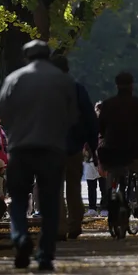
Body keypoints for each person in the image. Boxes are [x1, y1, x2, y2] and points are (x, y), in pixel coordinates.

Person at [0, 39, 78, 272]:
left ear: (26, 57)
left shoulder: (14, 79)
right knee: (50, 201)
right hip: (51, 148)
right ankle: (45, 254)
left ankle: (21, 237)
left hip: (21, 148)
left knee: (19, 199)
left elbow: (3, 113)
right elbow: (72, 116)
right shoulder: (63, 80)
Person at [51, 54, 98, 240]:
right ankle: (74, 223)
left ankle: (60, 227)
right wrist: (92, 145)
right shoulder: (77, 89)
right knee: (74, 187)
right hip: (73, 145)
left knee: (55, 188)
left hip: (51, 146)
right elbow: (89, 118)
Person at [97, 72, 138, 219]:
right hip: (132, 151)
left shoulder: (107, 104)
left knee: (112, 171)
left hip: (110, 151)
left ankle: (109, 196)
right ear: (132, 86)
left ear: (116, 85)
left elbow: (100, 129)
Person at [93, 101, 108, 216]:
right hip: (99, 155)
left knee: (102, 183)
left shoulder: (94, 123)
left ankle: (102, 206)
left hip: (101, 155)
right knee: (102, 183)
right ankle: (103, 206)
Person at [83, 147, 100, 215]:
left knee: (103, 186)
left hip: (101, 162)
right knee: (91, 187)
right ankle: (92, 208)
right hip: (89, 163)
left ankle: (105, 207)